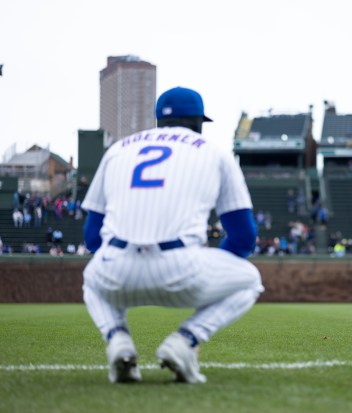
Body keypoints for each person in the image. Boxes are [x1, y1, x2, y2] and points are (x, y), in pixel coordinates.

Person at [81, 86, 264, 384]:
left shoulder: (117, 150)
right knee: (250, 280)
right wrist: (205, 263)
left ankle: (118, 340)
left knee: (91, 277)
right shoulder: (215, 153)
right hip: (181, 269)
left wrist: (126, 261)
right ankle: (186, 340)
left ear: (158, 121)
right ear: (199, 123)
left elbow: (91, 236)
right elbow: (244, 238)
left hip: (115, 270)